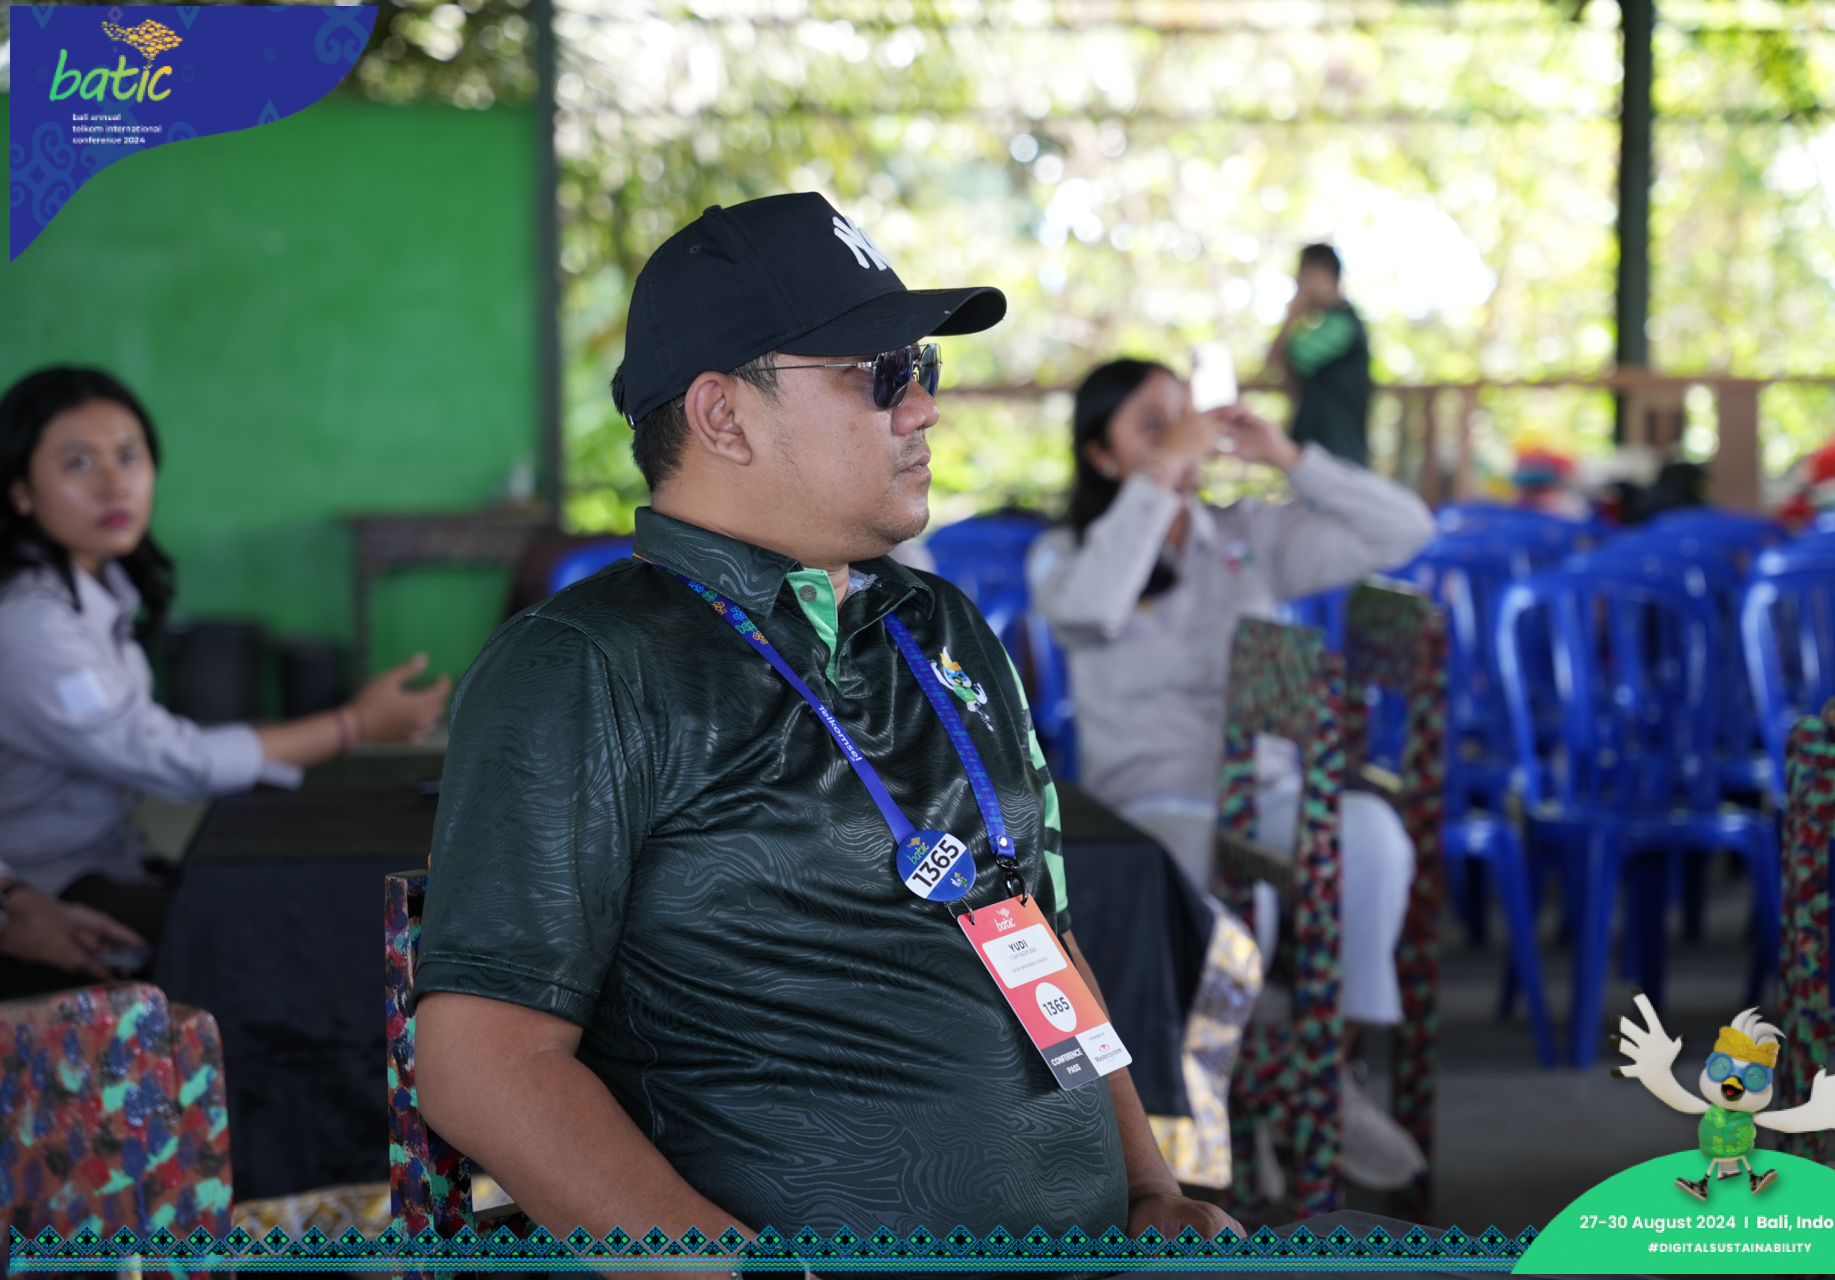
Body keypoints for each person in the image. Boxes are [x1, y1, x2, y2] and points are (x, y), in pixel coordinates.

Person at [410, 194, 1239, 1243]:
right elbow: (484, 1063)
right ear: (724, 416)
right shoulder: (588, 663)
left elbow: (1040, 935)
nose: (923, 407)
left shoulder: (942, 625)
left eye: (922, 367)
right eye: (877, 373)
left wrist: (1150, 1190)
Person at [1026, 358, 1435, 1190]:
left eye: (1187, 417)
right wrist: (1160, 479)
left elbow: (1404, 532)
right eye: (1153, 424)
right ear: (1100, 454)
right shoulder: (1066, 555)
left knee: (1372, 838)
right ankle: (1216, 1104)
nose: (1186, 435)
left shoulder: (1247, 532)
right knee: (1215, 898)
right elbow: (1094, 608)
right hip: (1150, 803)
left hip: (1267, 790)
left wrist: (1290, 457)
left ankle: (1325, 1067)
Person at [0, 366, 451, 996]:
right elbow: (171, 759)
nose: (114, 484)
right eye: (79, 463)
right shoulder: (30, 623)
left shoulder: (99, 588)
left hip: (111, 858)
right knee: (282, 939)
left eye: (129, 456)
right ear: (20, 491)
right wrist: (356, 724)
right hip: (44, 883)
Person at [1266, 244, 1373, 467]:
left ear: (1323, 272)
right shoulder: (1334, 323)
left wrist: (1295, 310)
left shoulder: (1341, 324)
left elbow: (1275, 358)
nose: (1299, 283)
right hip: (1324, 452)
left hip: (1335, 454)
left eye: (1302, 275)